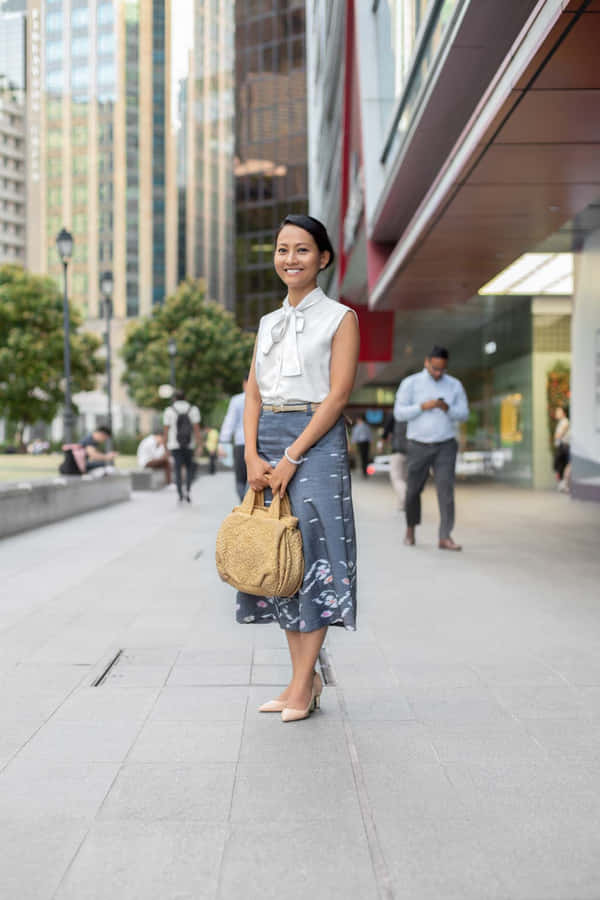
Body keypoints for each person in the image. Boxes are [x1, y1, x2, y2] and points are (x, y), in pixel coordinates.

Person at [237, 213, 360, 722]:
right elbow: (253, 390)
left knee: (316, 558)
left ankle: (301, 685)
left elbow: (338, 396)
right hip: (268, 440)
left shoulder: (341, 317)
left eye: (302, 250)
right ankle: (299, 685)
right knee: (281, 557)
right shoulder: (268, 322)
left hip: (317, 440)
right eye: (283, 249)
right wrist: (250, 453)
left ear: (323, 258)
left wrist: (291, 458)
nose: (290, 258)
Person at [394, 345, 469, 551]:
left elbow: (464, 414)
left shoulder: (454, 385)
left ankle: (445, 536)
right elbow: (399, 413)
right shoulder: (411, 384)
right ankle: (410, 529)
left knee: (446, 491)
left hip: (445, 445)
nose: (438, 373)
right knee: (413, 490)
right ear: (427, 362)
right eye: (434, 368)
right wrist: (422, 407)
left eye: (441, 369)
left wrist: (447, 408)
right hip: (418, 444)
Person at [163, 390, 202, 502]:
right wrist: (199, 445)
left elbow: (166, 430)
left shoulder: (169, 411)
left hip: (174, 445)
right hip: (189, 444)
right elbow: (196, 429)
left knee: (177, 468)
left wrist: (165, 447)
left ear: (174, 399)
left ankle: (180, 493)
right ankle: (188, 490)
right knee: (189, 468)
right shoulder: (193, 410)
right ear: (185, 398)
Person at [219, 378, 248, 500]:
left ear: (244, 383)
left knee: (240, 479)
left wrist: (222, 442)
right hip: (259, 443)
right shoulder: (264, 398)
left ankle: (245, 504)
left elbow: (229, 422)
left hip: (241, 444)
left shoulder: (237, 400)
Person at [383, 410, 408, 512]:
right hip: (413, 450)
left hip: (398, 449)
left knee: (396, 478)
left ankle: (406, 498)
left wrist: (385, 438)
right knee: (405, 478)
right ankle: (402, 505)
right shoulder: (415, 410)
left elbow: (386, 432)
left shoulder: (394, 413)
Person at [553, 405, 571, 492]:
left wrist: (557, 436)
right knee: (559, 466)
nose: (556, 413)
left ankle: (564, 484)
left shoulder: (565, 422)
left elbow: (558, 435)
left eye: (558, 411)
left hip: (563, 447)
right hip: (561, 447)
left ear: (563, 412)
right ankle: (562, 484)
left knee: (563, 465)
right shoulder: (561, 422)